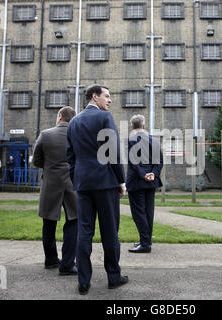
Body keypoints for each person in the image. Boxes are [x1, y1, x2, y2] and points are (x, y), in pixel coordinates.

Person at [67, 85, 128, 295]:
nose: (110, 100)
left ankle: (83, 281)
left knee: (84, 232)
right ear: (95, 96)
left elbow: (70, 157)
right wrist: (121, 181)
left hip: (83, 185)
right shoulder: (104, 118)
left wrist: (77, 179)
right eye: (107, 96)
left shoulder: (73, 122)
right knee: (110, 232)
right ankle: (113, 276)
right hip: (105, 183)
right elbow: (113, 152)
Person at [32, 106, 78, 275]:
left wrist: (49, 167)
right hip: (72, 183)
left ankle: (51, 259)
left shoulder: (45, 134)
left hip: (51, 182)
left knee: (48, 222)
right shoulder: (77, 135)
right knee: (74, 220)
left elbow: (36, 160)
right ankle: (67, 263)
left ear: (60, 117)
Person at [126, 115, 163, 253]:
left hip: (136, 181)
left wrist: (143, 174)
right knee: (148, 212)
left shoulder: (130, 140)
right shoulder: (154, 140)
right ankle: (145, 240)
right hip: (152, 181)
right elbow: (159, 161)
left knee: (138, 213)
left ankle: (145, 243)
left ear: (132, 127)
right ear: (143, 126)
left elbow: (133, 161)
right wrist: (153, 173)